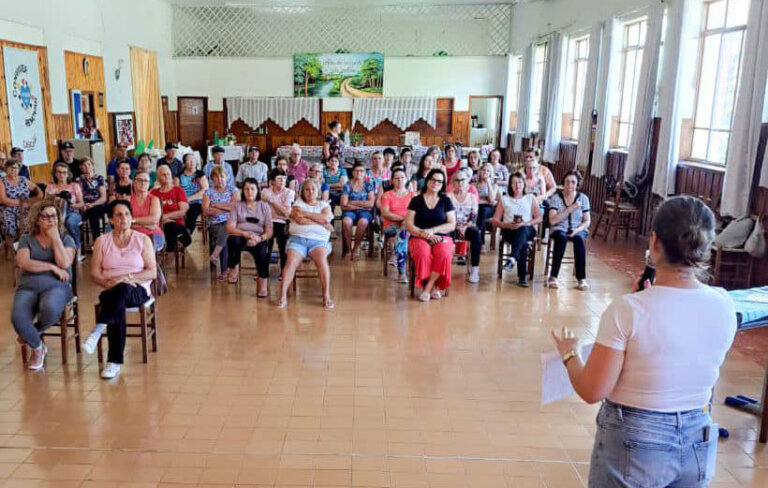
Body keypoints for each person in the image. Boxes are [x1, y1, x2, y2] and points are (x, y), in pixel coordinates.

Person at [550, 196, 736, 488]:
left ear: (654, 242)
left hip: (636, 439)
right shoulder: (724, 304)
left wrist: (569, 353)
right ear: (705, 246)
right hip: (697, 435)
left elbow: (591, 389)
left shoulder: (628, 310)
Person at [82, 199, 157, 379]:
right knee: (116, 298)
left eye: (127, 214)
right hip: (111, 288)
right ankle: (113, 362)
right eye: (119, 215)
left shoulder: (142, 239)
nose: (123, 218)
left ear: (132, 218)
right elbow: (94, 273)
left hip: (137, 288)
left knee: (120, 291)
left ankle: (99, 333)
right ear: (110, 220)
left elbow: (152, 272)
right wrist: (106, 282)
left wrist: (129, 278)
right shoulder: (102, 241)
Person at [11, 201, 77, 370]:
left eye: (53, 216)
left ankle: (32, 334)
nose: (51, 220)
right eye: (46, 216)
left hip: (57, 286)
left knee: (50, 307)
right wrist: (51, 267)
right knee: (18, 318)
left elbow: (64, 263)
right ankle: (38, 347)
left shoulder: (66, 238)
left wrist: (55, 238)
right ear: (37, 219)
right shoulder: (27, 239)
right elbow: (23, 262)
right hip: (28, 285)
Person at [277, 179, 334, 309]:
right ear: (302, 191)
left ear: (318, 191)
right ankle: (282, 295)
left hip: (319, 241)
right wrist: (323, 223)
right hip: (298, 239)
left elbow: (324, 217)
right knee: (291, 261)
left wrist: (307, 214)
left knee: (321, 260)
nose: (310, 192)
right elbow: (300, 220)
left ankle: (326, 295)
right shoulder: (298, 203)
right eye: (307, 189)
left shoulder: (323, 205)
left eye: (313, 189)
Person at [405, 168, 456, 302]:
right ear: (427, 181)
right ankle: (429, 286)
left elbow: (451, 224)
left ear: (442, 184)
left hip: (441, 236)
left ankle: (429, 287)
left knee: (444, 253)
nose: (435, 183)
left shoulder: (446, 200)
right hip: (418, 235)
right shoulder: (416, 200)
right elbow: (408, 224)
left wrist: (433, 231)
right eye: (433, 180)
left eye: (439, 181)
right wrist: (425, 235)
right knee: (423, 252)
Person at [492, 172, 542, 287]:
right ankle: (522, 277)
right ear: (510, 185)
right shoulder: (505, 199)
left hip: (527, 229)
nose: (517, 185)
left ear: (524, 184)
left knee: (523, 229)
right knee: (523, 243)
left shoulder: (530, 198)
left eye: (519, 182)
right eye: (514, 183)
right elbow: (495, 220)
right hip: (509, 230)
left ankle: (512, 258)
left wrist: (527, 223)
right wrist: (508, 225)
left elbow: (539, 218)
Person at [225, 178, 273, 294]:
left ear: (257, 191)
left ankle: (262, 282)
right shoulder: (237, 205)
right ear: (243, 191)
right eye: (246, 189)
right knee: (232, 240)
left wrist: (259, 238)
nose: (249, 192)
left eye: (252, 189)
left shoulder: (264, 206)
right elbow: (230, 227)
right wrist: (244, 234)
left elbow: (269, 231)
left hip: (258, 237)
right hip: (241, 234)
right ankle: (234, 265)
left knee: (262, 252)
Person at [547, 170, 591, 290]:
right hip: (559, 228)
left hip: (578, 228)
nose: (570, 185)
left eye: (573, 182)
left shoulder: (583, 199)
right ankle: (553, 276)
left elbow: (587, 221)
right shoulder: (556, 198)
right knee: (561, 238)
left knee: (579, 240)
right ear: (563, 183)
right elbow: (552, 220)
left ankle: (581, 278)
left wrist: (577, 230)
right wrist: (571, 208)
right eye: (567, 182)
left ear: (577, 184)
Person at [380, 167, 414, 283]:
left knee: (404, 231)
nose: (399, 180)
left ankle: (396, 254)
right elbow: (385, 213)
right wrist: (404, 219)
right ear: (392, 181)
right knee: (404, 232)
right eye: (396, 178)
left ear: (406, 179)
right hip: (391, 226)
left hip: (409, 226)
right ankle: (401, 273)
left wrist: (406, 222)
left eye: (402, 177)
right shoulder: (387, 195)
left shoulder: (412, 195)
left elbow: (417, 213)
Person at [203, 165, 238, 280]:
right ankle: (224, 271)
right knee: (226, 232)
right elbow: (206, 211)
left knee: (227, 230)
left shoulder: (233, 190)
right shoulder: (208, 192)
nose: (220, 179)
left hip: (232, 222)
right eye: (216, 177)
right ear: (212, 178)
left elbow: (236, 207)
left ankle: (217, 258)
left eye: (222, 176)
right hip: (214, 223)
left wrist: (216, 205)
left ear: (226, 177)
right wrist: (226, 208)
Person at [449, 169, 482, 283]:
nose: (460, 183)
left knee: (476, 234)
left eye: (462, 180)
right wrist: (457, 226)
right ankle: (445, 269)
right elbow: (446, 216)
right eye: (457, 180)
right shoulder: (448, 197)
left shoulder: (472, 197)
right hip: (452, 226)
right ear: (453, 183)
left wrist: (464, 227)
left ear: (467, 182)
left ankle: (475, 270)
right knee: (447, 235)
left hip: (468, 227)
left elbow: (474, 216)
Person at [45, 162, 84, 251]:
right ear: (55, 174)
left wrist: (72, 205)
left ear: (68, 174)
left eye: (64, 172)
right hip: (54, 212)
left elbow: (82, 203)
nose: (61, 175)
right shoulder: (50, 186)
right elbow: (45, 203)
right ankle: (54, 248)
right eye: (59, 172)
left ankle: (77, 247)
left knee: (70, 222)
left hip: (72, 211)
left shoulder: (74, 186)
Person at [151, 165, 190, 252]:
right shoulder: (154, 193)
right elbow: (149, 211)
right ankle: (171, 251)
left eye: (168, 174)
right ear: (158, 177)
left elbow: (183, 211)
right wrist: (162, 220)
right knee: (169, 230)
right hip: (158, 223)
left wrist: (166, 217)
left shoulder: (178, 190)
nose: (166, 176)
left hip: (176, 223)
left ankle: (168, 254)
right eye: (163, 174)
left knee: (170, 228)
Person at [262, 168, 294, 273]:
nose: (283, 181)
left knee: (283, 243)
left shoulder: (289, 192)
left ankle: (284, 270)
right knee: (265, 243)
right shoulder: (265, 192)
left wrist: (271, 201)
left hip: (282, 223)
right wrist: (279, 210)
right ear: (272, 181)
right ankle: (263, 270)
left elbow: (286, 213)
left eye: (284, 179)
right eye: (279, 179)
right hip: (267, 223)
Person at [1, 159, 42, 242]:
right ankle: (10, 249)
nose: (13, 170)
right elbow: (4, 199)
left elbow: (36, 188)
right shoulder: (2, 181)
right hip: (9, 209)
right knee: (9, 228)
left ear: (19, 169)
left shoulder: (23, 179)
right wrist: (22, 203)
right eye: (11, 168)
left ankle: (26, 246)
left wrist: (39, 195)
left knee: (28, 226)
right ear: (6, 169)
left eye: (16, 168)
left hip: (25, 209)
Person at [341, 162, 375, 259]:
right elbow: (344, 204)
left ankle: (356, 248)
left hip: (365, 212)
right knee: (346, 221)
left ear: (365, 173)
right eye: (357, 171)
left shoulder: (368, 185)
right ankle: (348, 249)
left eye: (361, 171)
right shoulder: (347, 185)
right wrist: (362, 205)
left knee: (363, 222)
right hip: (350, 211)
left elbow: (371, 204)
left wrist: (352, 202)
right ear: (353, 172)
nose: (359, 173)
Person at [129, 170, 165, 252]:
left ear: (149, 184)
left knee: (145, 251)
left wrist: (133, 220)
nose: (143, 183)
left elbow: (154, 219)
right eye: (140, 180)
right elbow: (125, 222)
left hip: (154, 234)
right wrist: (145, 225)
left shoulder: (154, 199)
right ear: (134, 183)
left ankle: (151, 264)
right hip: (133, 234)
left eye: (146, 181)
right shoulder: (128, 200)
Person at [77, 157, 107, 243]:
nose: (87, 167)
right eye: (84, 165)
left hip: (97, 204)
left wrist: (92, 204)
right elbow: (78, 195)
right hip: (83, 205)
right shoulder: (79, 180)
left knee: (93, 212)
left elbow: (103, 197)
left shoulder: (99, 178)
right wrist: (82, 205)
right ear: (81, 167)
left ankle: (97, 241)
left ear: (93, 166)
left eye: (89, 164)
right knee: (76, 216)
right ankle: (80, 244)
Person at [179, 152, 208, 236]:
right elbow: (177, 190)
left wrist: (189, 199)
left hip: (197, 202)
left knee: (192, 212)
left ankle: (186, 235)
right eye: (189, 160)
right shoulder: (180, 175)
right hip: (182, 202)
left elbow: (204, 190)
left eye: (193, 160)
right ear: (184, 163)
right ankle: (179, 235)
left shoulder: (200, 174)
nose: (192, 162)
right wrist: (183, 200)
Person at [474, 163, 499, 249]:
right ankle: (481, 243)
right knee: (481, 214)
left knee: (483, 211)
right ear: (480, 171)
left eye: (488, 171)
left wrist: (488, 183)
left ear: (490, 173)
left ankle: (479, 240)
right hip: (477, 208)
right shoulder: (474, 184)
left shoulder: (494, 185)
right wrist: (485, 200)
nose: (485, 172)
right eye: (484, 170)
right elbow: (473, 200)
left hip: (489, 209)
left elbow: (492, 200)